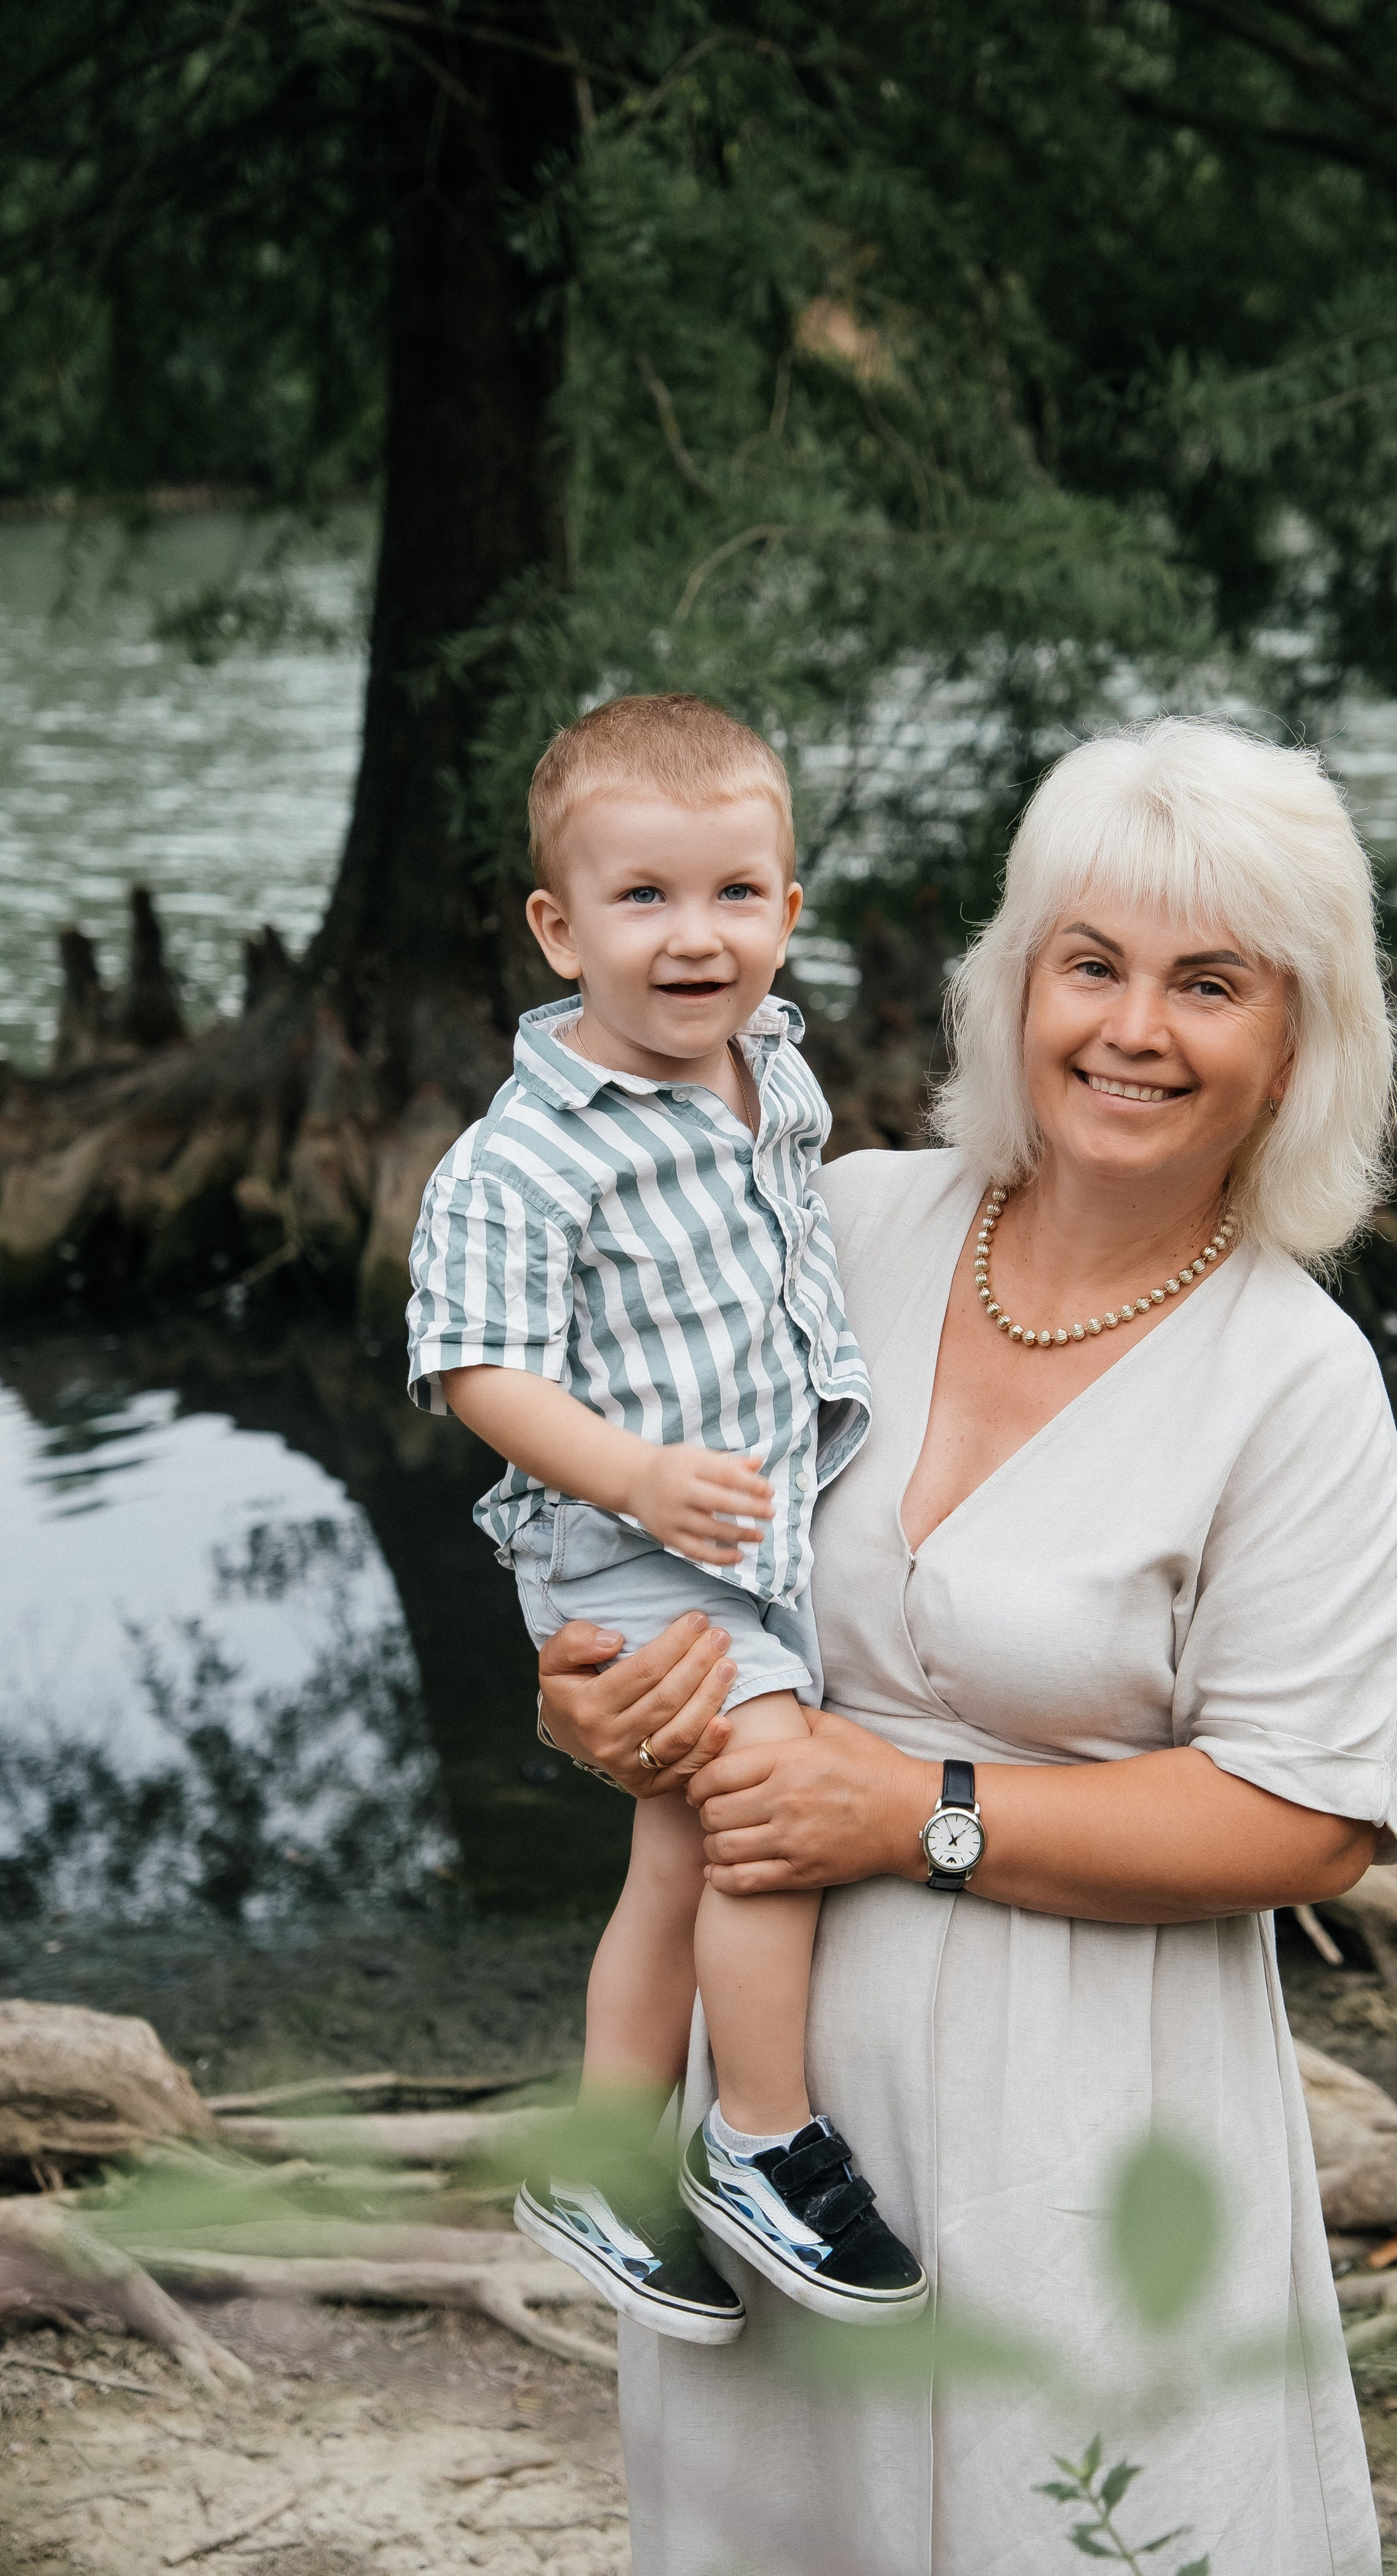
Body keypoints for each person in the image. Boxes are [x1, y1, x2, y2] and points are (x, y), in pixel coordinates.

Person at [533, 716, 1397, 2576]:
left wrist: (916, 1809)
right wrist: (604, 1702)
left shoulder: (1298, 1386)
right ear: (1013, 986)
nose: (1132, 1028)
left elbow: (1312, 1820)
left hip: (1094, 2125)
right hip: (779, 2129)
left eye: (1208, 984)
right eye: (1089, 965)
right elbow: (656, 1549)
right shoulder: (833, 1229)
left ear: (1295, 1043)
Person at [403, 694, 928, 2347]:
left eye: (732, 895)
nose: (692, 940)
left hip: (735, 1535)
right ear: (560, 928)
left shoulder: (769, 1075)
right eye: (642, 899)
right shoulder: (528, 1155)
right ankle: (759, 2135)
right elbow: (472, 1365)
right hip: (623, 1536)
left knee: (675, 1854)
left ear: (788, 910)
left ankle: (598, 2155)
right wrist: (627, 1474)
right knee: (762, 1808)